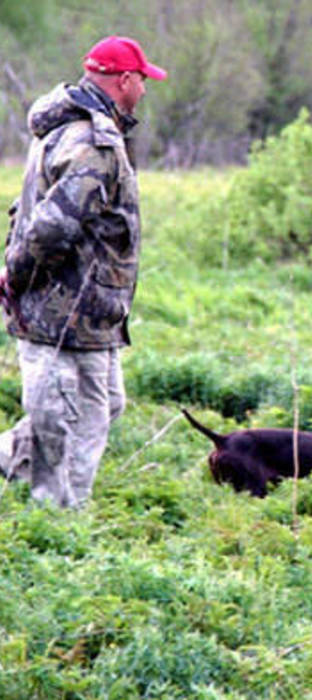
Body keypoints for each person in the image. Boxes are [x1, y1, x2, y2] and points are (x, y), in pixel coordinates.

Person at [0, 36, 167, 508]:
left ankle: (12, 457)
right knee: (66, 421)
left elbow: (35, 206)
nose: (145, 91)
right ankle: (59, 526)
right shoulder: (93, 143)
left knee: (105, 405)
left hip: (93, 314)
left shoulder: (65, 129)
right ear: (125, 80)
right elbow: (52, 228)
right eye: (143, 81)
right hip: (63, 311)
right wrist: (14, 276)